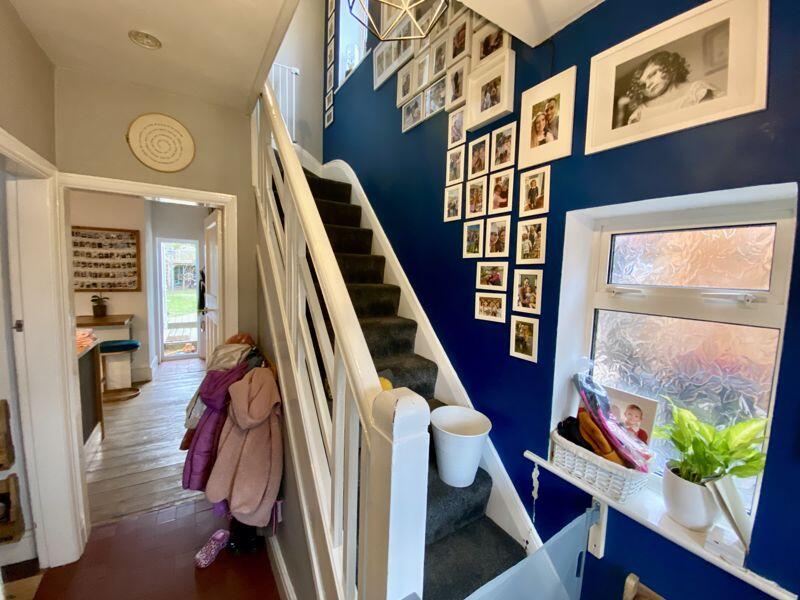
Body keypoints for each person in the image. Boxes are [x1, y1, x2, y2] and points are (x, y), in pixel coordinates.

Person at [617, 50, 720, 128]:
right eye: (643, 85)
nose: (648, 85)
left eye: (652, 74)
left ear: (670, 67)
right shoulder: (641, 111)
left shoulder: (697, 90)